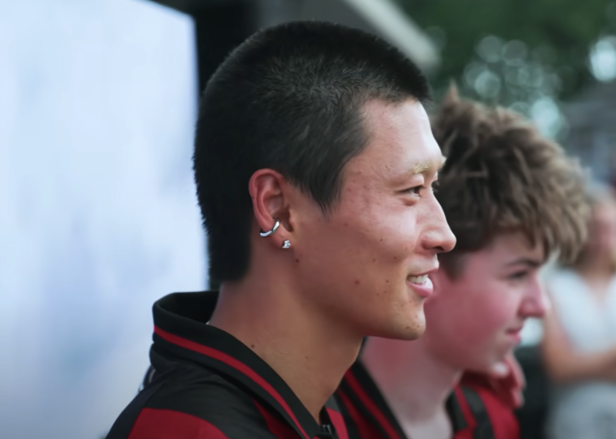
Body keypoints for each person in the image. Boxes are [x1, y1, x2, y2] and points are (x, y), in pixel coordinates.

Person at [105, 21, 456, 439]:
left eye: (433, 188)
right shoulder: (189, 430)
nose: (445, 235)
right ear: (280, 210)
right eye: (412, 190)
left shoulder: (311, 407)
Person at [335, 88, 589, 439]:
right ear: (431, 260)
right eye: (518, 274)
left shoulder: (495, 419)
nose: (540, 305)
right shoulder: (316, 423)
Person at [542, 184, 616, 439]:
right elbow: (558, 367)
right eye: (598, 228)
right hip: (575, 422)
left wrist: (582, 363)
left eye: (615, 229)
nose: (607, 239)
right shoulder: (556, 286)